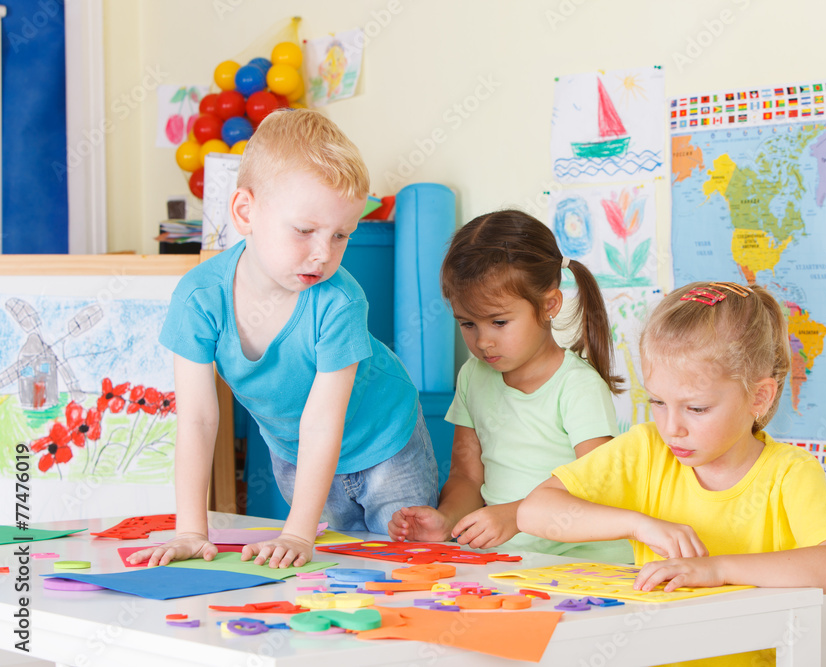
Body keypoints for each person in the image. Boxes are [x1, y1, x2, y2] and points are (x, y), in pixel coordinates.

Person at [130, 109, 437, 569]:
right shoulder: (199, 297)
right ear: (245, 211)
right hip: (298, 453)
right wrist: (191, 530)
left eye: (341, 235)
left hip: (387, 441)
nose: (323, 253)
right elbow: (196, 417)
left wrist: (296, 531)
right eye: (305, 230)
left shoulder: (339, 300)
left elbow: (322, 420)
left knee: (405, 566)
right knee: (327, 570)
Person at [518, 280, 826, 667]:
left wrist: (717, 569)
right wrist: (637, 525)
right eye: (658, 402)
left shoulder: (790, 472)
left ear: (759, 397)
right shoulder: (647, 448)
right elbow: (533, 512)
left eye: (696, 408)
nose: (672, 427)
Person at [387, 210, 632, 562]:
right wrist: (447, 521)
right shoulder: (472, 376)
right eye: (468, 323)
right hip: (511, 562)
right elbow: (467, 477)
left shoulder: (577, 387)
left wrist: (516, 516)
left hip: (585, 564)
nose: (483, 341)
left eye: (499, 322)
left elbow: (597, 488)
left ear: (549, 305)